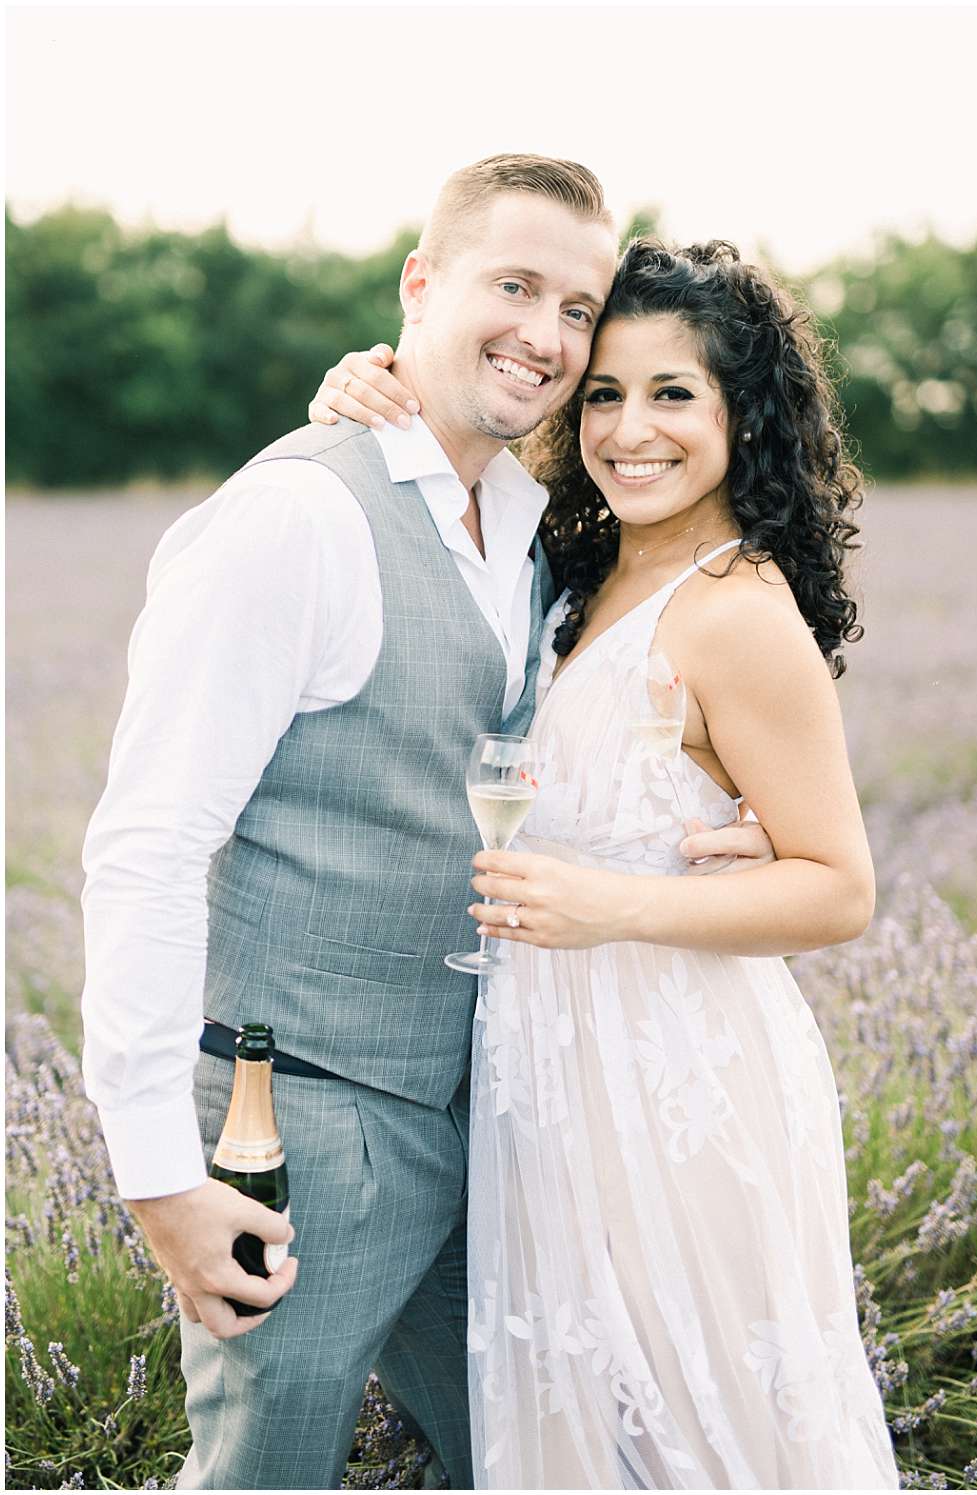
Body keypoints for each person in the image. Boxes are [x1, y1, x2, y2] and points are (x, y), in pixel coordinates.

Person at [79, 157, 771, 1492]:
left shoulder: (522, 519)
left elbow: (610, 706)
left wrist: (729, 803)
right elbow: (149, 845)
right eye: (513, 285)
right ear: (419, 284)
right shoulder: (294, 520)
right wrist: (156, 1173)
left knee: (559, 1457)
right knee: (264, 1471)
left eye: (578, 306)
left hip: (496, 1116)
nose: (548, 334)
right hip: (306, 1129)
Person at [308, 239, 899, 1488]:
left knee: (691, 1426)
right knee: (582, 1418)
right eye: (605, 394)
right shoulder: (572, 572)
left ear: (748, 412)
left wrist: (609, 901)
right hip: (550, 1069)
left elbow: (839, 887)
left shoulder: (735, 607)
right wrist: (365, 392)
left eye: (674, 393)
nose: (631, 429)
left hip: (678, 1076)